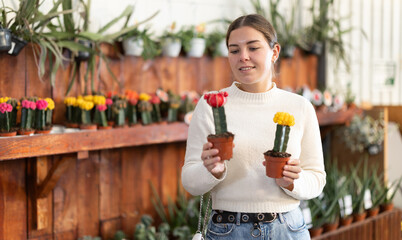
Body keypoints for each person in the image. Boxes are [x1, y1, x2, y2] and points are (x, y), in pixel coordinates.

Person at [181, 14, 326, 239]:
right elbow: (190, 180)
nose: (243, 57)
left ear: (275, 52)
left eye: (253, 48)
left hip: (286, 229)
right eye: (234, 50)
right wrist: (211, 172)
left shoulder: (300, 107)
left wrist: (292, 182)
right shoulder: (212, 103)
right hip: (226, 230)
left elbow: (317, 179)